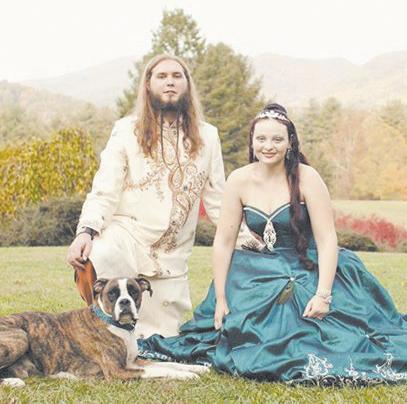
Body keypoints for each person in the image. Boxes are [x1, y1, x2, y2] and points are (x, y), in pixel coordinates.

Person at [139, 103, 407, 384]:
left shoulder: (307, 177)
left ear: (290, 142)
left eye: (277, 139)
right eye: (262, 139)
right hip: (263, 267)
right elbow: (224, 242)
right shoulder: (239, 180)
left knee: (312, 327)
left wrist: (323, 295)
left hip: (310, 264)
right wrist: (221, 298)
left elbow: (328, 240)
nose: (268, 146)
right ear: (252, 141)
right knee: (240, 317)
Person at [67, 54, 253, 339]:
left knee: (160, 341)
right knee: (100, 256)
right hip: (126, 240)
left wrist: (252, 241)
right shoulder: (125, 130)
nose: (170, 82)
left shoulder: (208, 136)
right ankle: (98, 330)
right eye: (162, 76)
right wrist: (86, 231)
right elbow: (105, 188)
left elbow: (218, 202)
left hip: (170, 259)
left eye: (177, 76)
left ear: (187, 85)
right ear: (148, 84)